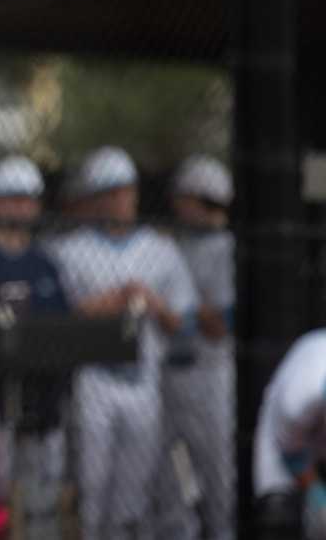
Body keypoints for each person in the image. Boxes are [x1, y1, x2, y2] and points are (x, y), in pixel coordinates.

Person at [48, 146, 198, 540]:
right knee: (92, 488)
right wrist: (105, 303)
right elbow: (55, 319)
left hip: (144, 379)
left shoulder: (160, 250)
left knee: (135, 493)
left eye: (125, 191)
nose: (119, 201)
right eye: (109, 193)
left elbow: (184, 321)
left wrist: (152, 302)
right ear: (94, 199)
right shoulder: (70, 249)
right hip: (93, 379)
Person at [0, 156, 71, 540]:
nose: (21, 207)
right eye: (11, 198)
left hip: (42, 403)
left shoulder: (46, 264)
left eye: (28, 199)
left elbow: (62, 329)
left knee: (39, 497)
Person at [156, 154, 236, 539]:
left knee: (217, 471)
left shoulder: (226, 247)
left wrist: (184, 305)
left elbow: (220, 325)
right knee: (169, 474)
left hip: (210, 374)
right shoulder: (173, 245)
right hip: (170, 373)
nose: (177, 205)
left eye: (185, 198)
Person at [253, 329, 326, 539]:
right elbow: (293, 455)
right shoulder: (300, 397)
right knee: (279, 514)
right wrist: (317, 496)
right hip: (285, 442)